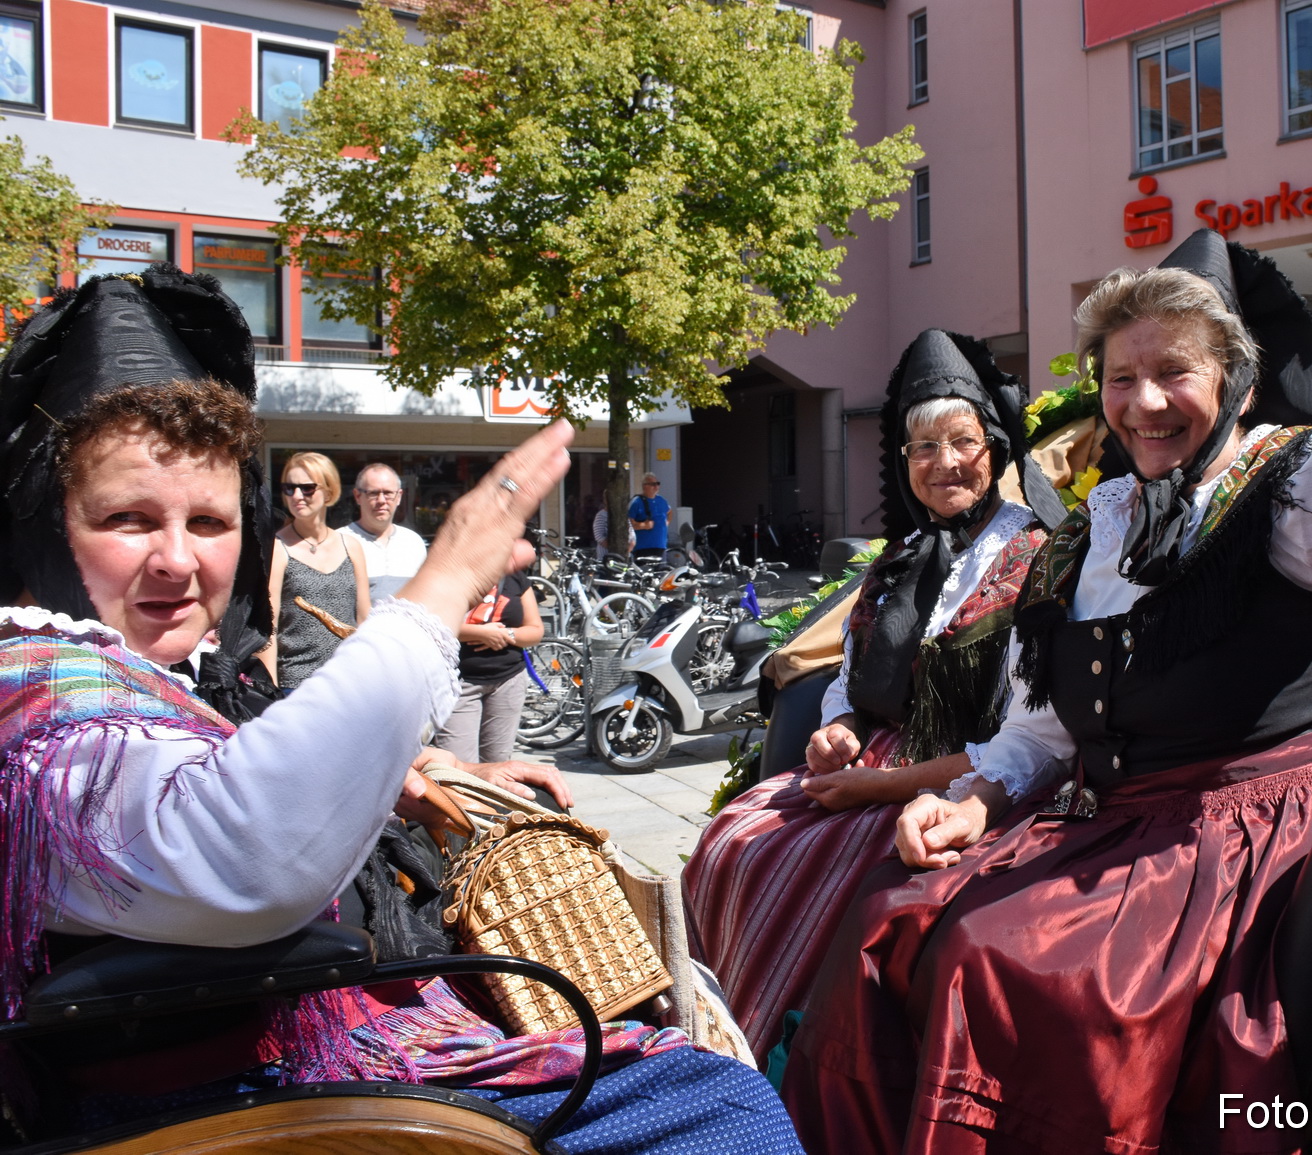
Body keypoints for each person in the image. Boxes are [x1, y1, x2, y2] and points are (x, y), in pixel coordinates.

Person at [782, 3, 1312, 1151]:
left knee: (1004, 966)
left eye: (1173, 371)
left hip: (1240, 843)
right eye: (1120, 378)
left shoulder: (1298, 488)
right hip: (1115, 822)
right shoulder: (1098, 522)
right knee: (891, 922)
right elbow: (1043, 728)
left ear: (1233, 380)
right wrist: (973, 797)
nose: (1143, 402)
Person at [0, 268, 803, 1150]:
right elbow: (237, 847)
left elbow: (207, 772)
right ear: (45, 523)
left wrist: (411, 766)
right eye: (126, 518)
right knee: (721, 1103)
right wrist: (443, 584)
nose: (176, 560)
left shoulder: (124, 672)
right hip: (219, 1090)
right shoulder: (35, 690)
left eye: (209, 523)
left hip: (277, 1040)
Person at [682, 330, 1066, 1063]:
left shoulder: (1038, 557)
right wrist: (839, 730)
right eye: (924, 448)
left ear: (994, 449)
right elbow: (851, 677)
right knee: (732, 841)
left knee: (810, 875)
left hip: (974, 781)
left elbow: (1032, 739)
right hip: (874, 769)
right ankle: (718, 1053)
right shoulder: (899, 558)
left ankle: (795, 1064)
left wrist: (878, 786)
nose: (944, 462)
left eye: (963, 442)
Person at [269, 450, 371, 691]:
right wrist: (270, 690)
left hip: (349, 681)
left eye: (307, 488)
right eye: (289, 488)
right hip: (296, 684)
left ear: (328, 491)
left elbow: (365, 619)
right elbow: (268, 628)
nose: (297, 496)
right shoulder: (277, 547)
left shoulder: (351, 546)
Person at [432, 567, 544, 763]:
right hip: (457, 683)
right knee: (458, 767)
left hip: (508, 680)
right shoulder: (448, 574)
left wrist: (505, 634)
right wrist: (480, 633)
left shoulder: (515, 578)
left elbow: (535, 631)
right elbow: (431, 624)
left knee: (497, 764)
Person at [340, 461, 428, 599]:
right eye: (373, 493)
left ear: (399, 497)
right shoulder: (340, 541)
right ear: (357, 496)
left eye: (388, 493)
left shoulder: (413, 542)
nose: (381, 500)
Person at [629, 474, 670, 561]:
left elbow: (670, 512)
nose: (656, 486)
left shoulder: (662, 500)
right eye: (653, 484)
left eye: (657, 483)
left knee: (662, 569)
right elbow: (628, 524)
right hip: (643, 548)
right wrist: (643, 526)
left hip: (661, 547)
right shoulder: (636, 502)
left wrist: (667, 522)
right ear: (644, 486)